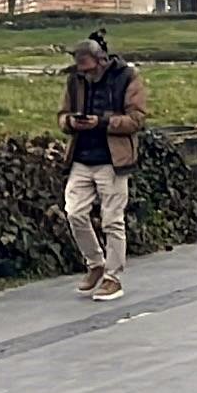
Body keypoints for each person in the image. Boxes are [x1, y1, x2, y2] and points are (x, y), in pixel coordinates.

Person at [60, 36, 148, 301]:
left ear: (102, 60)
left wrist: (101, 122)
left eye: (88, 69)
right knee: (74, 213)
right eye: (80, 70)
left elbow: (137, 119)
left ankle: (113, 277)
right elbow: (61, 115)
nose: (85, 75)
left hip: (113, 160)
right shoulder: (74, 81)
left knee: (112, 220)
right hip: (81, 158)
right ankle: (95, 263)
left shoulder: (128, 77)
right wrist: (70, 123)